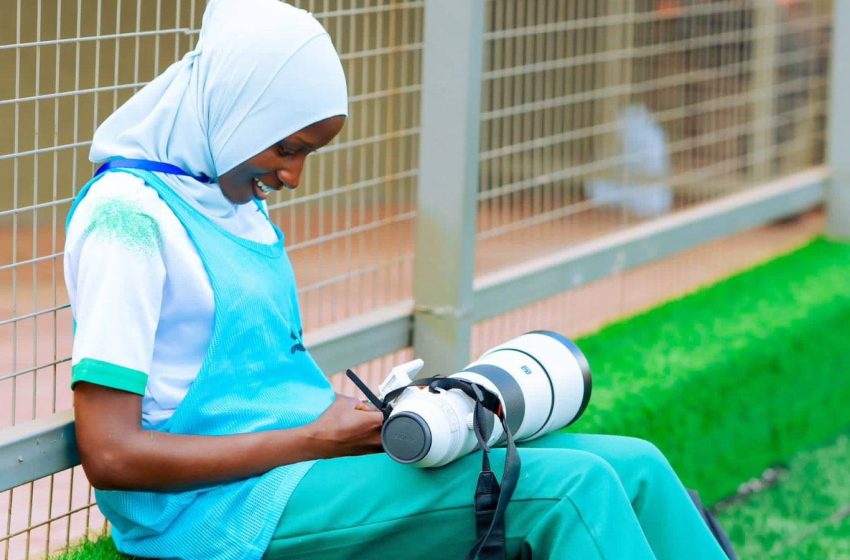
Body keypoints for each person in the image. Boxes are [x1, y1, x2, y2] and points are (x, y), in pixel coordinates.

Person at [64, 1, 731, 559]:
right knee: (573, 486)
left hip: (300, 466)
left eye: (306, 153)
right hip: (218, 513)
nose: (292, 176)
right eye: (287, 148)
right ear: (231, 109)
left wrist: (374, 419)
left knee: (636, 466)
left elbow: (250, 385)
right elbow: (112, 456)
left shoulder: (228, 199)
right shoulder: (127, 218)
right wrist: (316, 439)